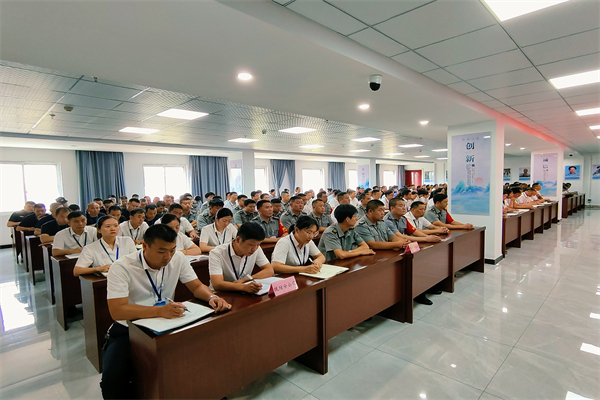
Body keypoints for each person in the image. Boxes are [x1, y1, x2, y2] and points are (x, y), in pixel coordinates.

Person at [102, 224, 231, 399]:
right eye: (162, 251)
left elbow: (196, 286)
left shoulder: (177, 258)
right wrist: (159, 311)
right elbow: (118, 311)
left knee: (202, 361)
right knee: (112, 382)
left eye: (172, 250)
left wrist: (211, 297)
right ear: (145, 246)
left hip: (169, 322)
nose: (168, 257)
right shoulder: (122, 267)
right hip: (130, 329)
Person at [208, 222, 275, 293]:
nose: (254, 249)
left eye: (258, 244)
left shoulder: (256, 249)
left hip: (243, 292)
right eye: (251, 245)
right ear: (238, 240)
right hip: (221, 294)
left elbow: (269, 270)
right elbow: (217, 284)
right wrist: (243, 287)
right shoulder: (217, 253)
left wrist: (246, 279)